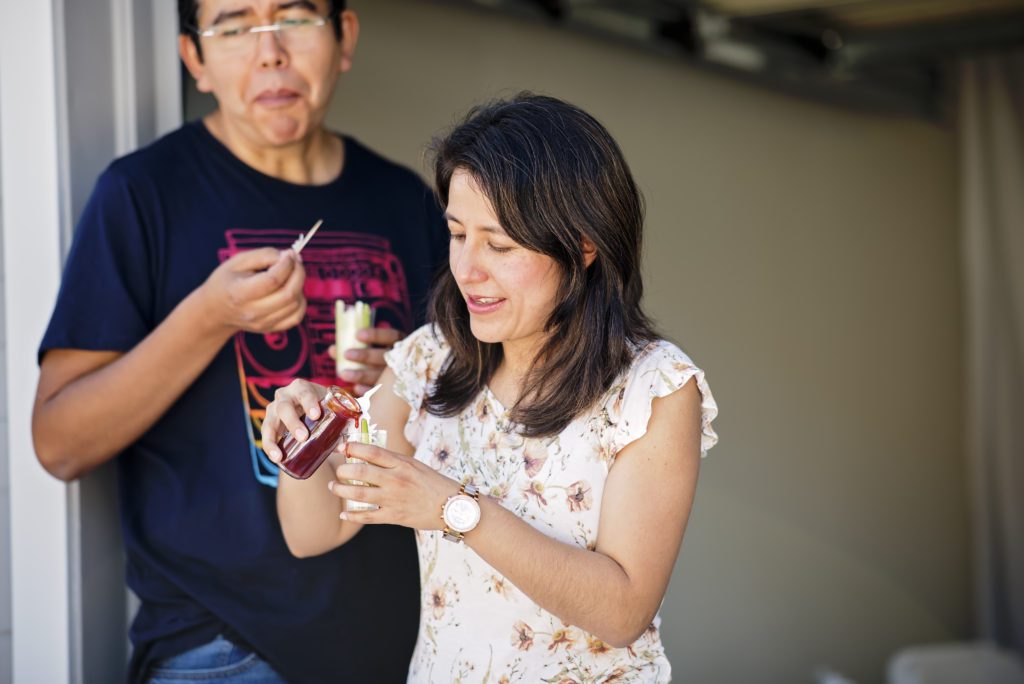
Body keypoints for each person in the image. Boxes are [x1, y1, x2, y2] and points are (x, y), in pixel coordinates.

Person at [32, 1, 447, 681]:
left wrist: (407, 376)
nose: (270, 52)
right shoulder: (142, 194)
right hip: (221, 645)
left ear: (344, 36)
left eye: (296, 17)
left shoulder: (405, 201)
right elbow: (59, 441)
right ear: (195, 59)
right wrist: (208, 317)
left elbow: (480, 419)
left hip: (400, 638)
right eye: (233, 26)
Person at [262, 93, 720, 682]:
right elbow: (314, 532)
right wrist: (299, 438)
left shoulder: (654, 388)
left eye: (499, 245)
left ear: (583, 246)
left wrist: (454, 509)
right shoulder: (427, 361)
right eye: (457, 233)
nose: (469, 269)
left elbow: (623, 610)